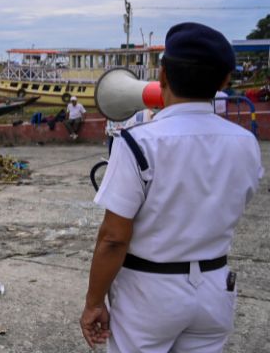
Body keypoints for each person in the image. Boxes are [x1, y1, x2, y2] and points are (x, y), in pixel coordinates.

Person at [80, 22, 263, 352]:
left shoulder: (138, 143)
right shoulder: (247, 143)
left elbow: (113, 238)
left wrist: (94, 302)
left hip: (147, 294)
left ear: (162, 76)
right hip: (215, 288)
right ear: (224, 81)